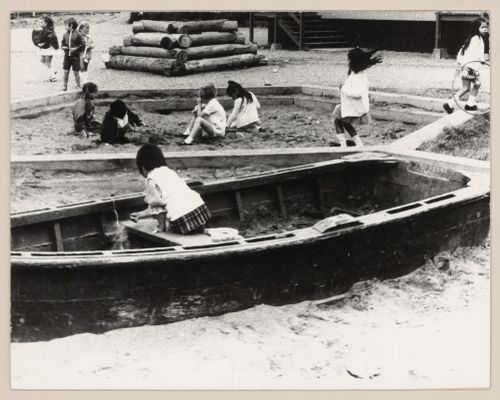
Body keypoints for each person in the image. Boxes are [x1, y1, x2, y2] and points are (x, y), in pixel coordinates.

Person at [130, 144, 211, 235]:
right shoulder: (168, 171)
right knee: (160, 203)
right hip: (201, 211)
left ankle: (162, 230)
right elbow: (167, 199)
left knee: (157, 206)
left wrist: (162, 228)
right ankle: (199, 231)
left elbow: (158, 203)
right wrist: (140, 214)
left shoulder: (150, 179)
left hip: (182, 218)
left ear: (143, 168)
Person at [331, 48, 383, 147]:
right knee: (346, 123)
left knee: (337, 121)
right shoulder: (359, 74)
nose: (348, 62)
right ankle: (358, 144)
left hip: (353, 107)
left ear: (354, 62)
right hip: (353, 106)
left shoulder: (358, 77)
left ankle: (343, 145)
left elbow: (357, 93)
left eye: (349, 60)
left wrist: (343, 88)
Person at [443, 18, 489, 113]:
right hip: (469, 67)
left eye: (486, 27)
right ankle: (450, 103)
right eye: (483, 27)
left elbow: (462, 52)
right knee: (468, 87)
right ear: (477, 28)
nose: (485, 29)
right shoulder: (476, 38)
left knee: (475, 84)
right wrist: (481, 59)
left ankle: (470, 104)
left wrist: (459, 64)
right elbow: (472, 52)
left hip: (470, 67)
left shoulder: (475, 38)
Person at [60, 17, 86, 91]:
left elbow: (83, 44)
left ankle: (78, 85)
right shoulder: (65, 34)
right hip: (67, 56)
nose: (64, 27)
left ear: (71, 25)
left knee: (76, 72)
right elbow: (62, 44)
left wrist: (76, 49)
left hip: (75, 57)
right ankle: (65, 86)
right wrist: (64, 47)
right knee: (65, 71)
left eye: (65, 25)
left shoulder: (78, 34)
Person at [32, 15, 59, 82]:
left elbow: (50, 38)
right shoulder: (44, 30)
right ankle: (52, 70)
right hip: (45, 48)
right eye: (40, 22)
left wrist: (43, 43)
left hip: (49, 48)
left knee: (48, 61)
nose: (40, 24)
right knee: (42, 60)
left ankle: (53, 77)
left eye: (42, 22)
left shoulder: (49, 30)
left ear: (46, 23)